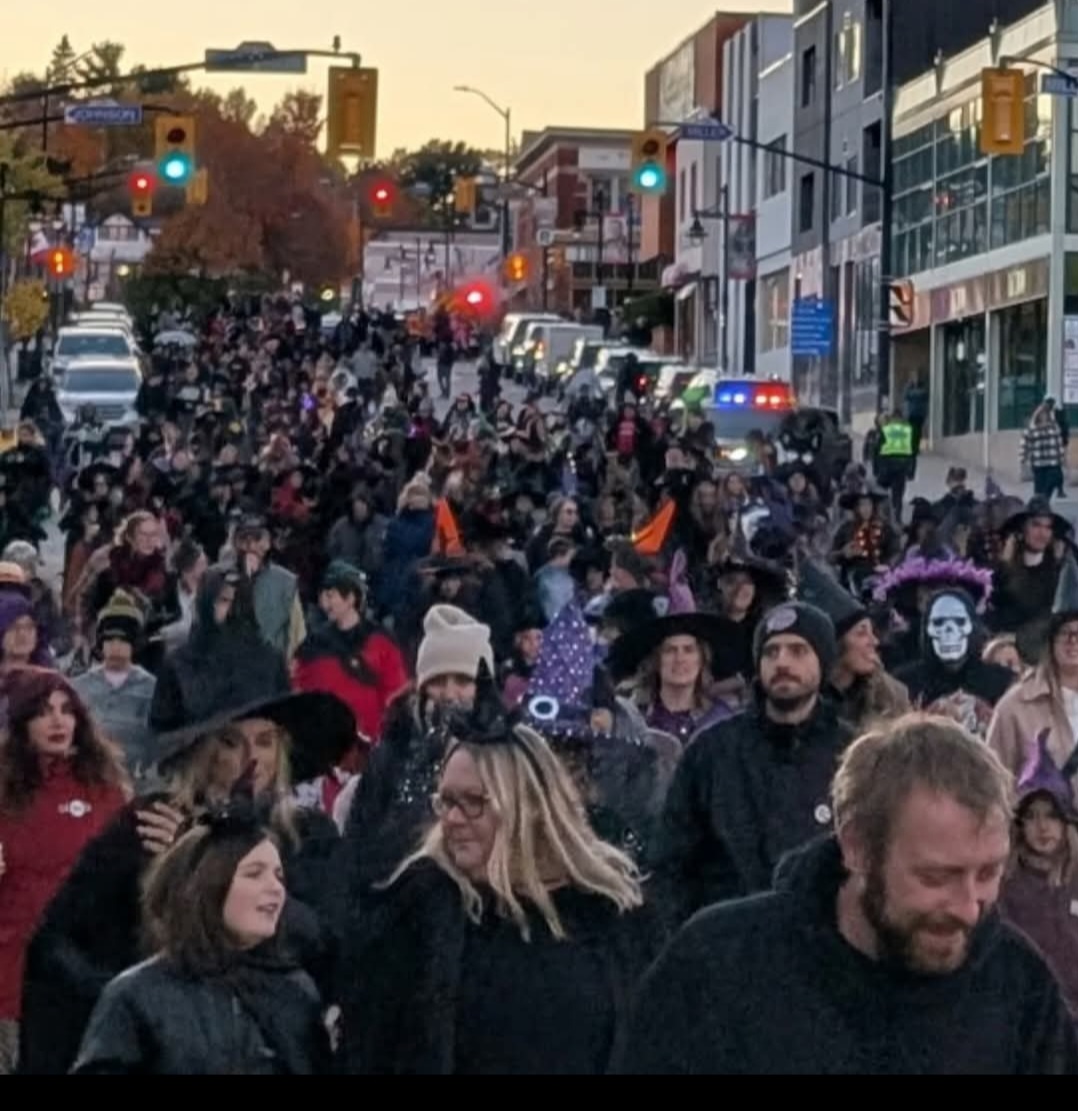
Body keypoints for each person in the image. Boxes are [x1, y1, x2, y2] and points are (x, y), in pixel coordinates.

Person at [619, 715, 1078, 1075]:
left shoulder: (1019, 986)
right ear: (857, 846)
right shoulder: (719, 966)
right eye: (936, 877)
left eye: (989, 873)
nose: (968, 908)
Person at [338, 664, 654, 1074]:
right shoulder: (417, 912)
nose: (452, 819)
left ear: (528, 806)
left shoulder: (611, 914)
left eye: (474, 802)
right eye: (446, 802)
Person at [72, 802, 331, 1075]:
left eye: (279, 876)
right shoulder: (136, 995)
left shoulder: (296, 992)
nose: (276, 888)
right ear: (207, 886)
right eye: (254, 874)